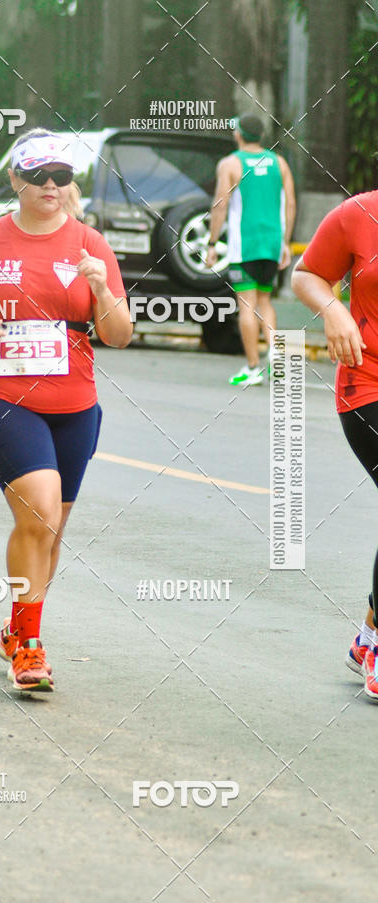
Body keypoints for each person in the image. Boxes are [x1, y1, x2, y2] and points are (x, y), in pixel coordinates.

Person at [0, 128, 132, 692]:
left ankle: (17, 628)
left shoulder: (91, 244)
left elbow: (119, 335)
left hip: (76, 404)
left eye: (61, 176)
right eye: (37, 175)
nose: (50, 185)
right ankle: (30, 650)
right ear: (15, 179)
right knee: (40, 512)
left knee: (51, 528)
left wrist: (102, 290)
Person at [292, 192, 378, 702]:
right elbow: (306, 274)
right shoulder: (358, 214)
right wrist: (335, 312)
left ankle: (369, 635)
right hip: (368, 382)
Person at [205, 113, 296, 386]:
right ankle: (277, 365)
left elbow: (220, 205)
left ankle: (253, 367)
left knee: (247, 305)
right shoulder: (279, 162)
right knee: (265, 302)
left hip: (244, 246)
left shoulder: (231, 163)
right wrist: (285, 243)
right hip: (272, 244)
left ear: (238, 134)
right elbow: (290, 204)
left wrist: (212, 243)